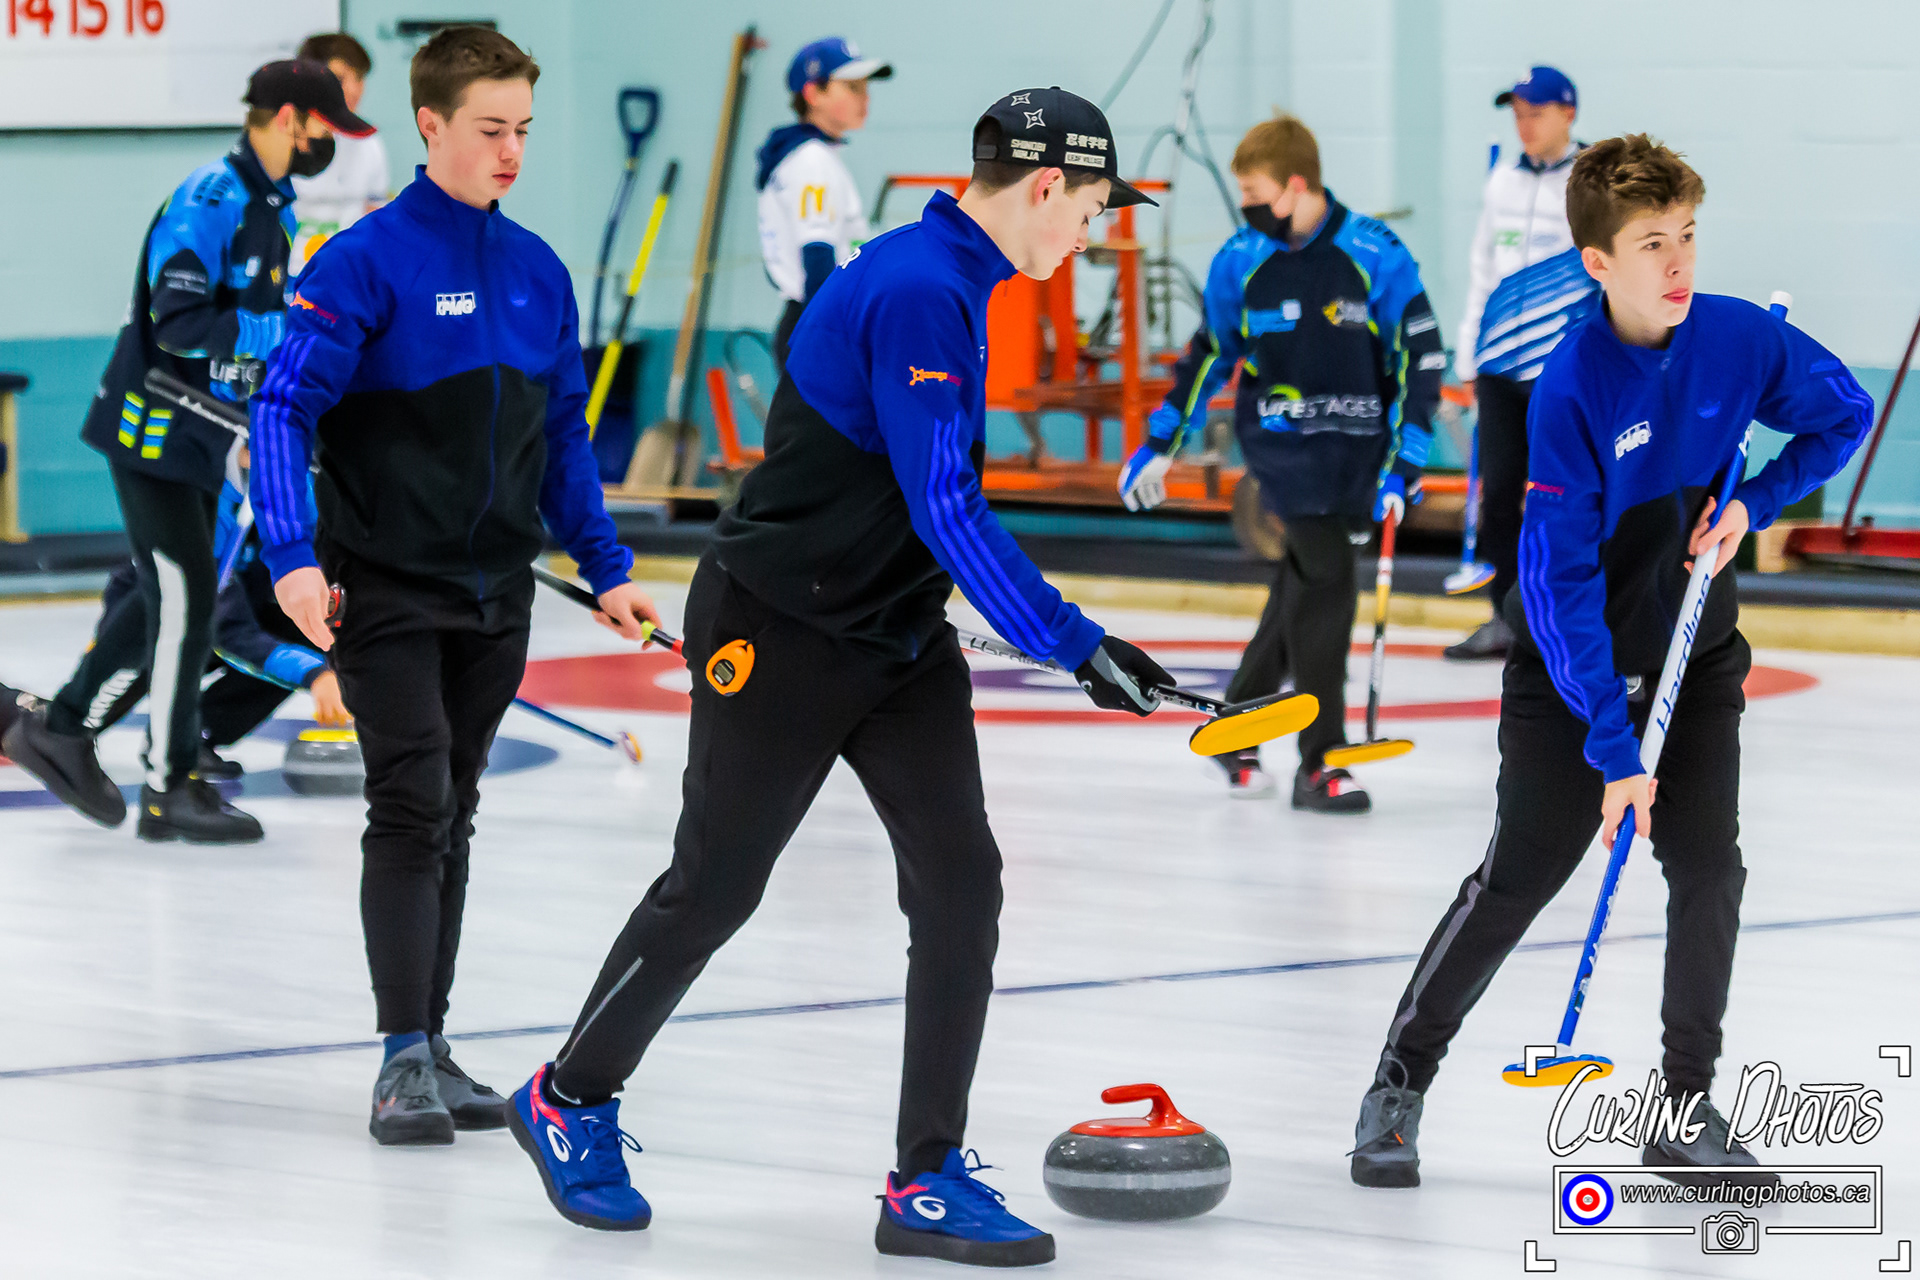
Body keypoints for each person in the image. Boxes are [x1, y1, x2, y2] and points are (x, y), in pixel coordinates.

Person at [506, 88, 1166, 1269]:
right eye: (1093, 207)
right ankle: (568, 1093)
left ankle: (925, 1177)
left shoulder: (958, 279)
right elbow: (946, 502)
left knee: (961, 882)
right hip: (781, 628)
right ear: (1045, 186)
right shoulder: (919, 287)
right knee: (715, 887)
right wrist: (1073, 641)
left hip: (894, 633)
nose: (1093, 231)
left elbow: (925, 504)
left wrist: (1068, 639)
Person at [1349, 136, 1872, 1189]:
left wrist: (1754, 503)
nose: (1678, 262)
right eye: (1651, 244)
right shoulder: (1572, 387)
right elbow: (1556, 587)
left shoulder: (1739, 338)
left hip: (1698, 656)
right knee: (1519, 879)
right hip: (1573, 678)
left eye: (1687, 235)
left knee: (1709, 870)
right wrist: (1613, 745)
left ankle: (1683, 1106)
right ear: (1598, 262)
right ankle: (1400, 1079)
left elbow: (1843, 415)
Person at [248, 27, 661, 1147]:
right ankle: (398, 1057)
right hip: (383, 587)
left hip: (497, 594)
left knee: (455, 806)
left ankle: (429, 1042)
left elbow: (563, 436)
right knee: (412, 796)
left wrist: (608, 569)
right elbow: (281, 409)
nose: (511, 150)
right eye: (490, 129)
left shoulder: (538, 271)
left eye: (523, 128)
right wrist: (291, 554)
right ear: (430, 125)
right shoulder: (362, 262)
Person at [2, 60, 370, 843]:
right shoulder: (213, 198)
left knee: (170, 596)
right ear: (286, 117)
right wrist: (288, 328)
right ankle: (167, 783)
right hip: (154, 429)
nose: (329, 143)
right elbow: (177, 324)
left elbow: (243, 345)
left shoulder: (270, 207)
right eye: (324, 125)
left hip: (202, 436)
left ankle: (62, 730)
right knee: (188, 600)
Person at [1118, 113, 1443, 813]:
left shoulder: (1375, 254)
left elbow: (1421, 356)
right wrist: (1161, 442)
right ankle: (1320, 762)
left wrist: (1408, 460)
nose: (1246, 205)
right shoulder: (1241, 261)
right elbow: (1209, 355)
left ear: (1296, 186)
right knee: (1328, 584)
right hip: (1282, 450)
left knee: (1304, 584)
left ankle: (1235, 725)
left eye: (1254, 191)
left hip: (1357, 452)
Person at [1447, 65, 1598, 662]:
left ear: (1568, 114)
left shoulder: (1592, 180)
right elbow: (1482, 267)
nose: (1525, 125)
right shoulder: (1502, 182)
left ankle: (1569, 620)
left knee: (1563, 494)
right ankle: (1506, 617)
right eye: (1517, 114)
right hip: (1498, 366)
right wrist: (1468, 353)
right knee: (1499, 494)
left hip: (1561, 369)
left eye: (1536, 113)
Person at [755, 36, 891, 369]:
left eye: (866, 87)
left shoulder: (814, 157)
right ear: (813, 93)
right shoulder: (811, 161)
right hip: (816, 324)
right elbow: (817, 254)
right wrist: (827, 341)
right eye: (852, 87)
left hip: (816, 320)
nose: (865, 98)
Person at [291, 32, 392, 276]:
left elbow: (377, 215)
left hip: (349, 273)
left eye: (360, 78)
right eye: (341, 78)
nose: (354, 89)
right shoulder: (288, 138)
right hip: (291, 273)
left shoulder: (369, 142)